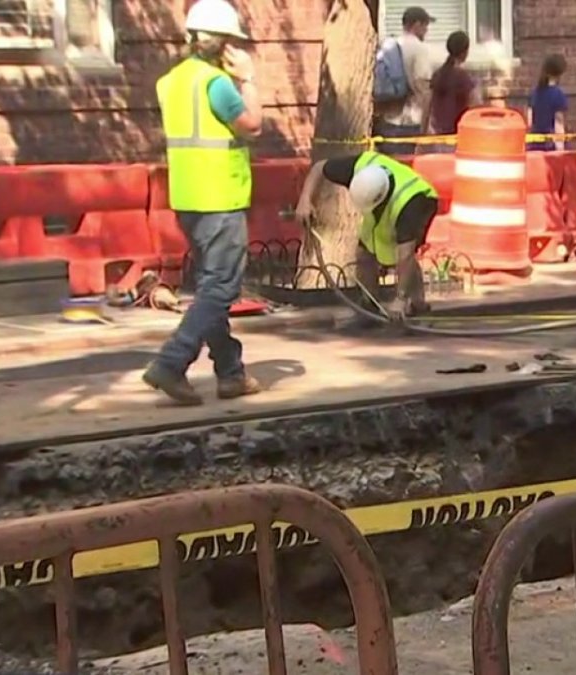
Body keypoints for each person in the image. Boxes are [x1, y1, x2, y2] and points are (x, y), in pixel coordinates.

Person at [143, 0, 264, 406]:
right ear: (222, 44)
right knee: (222, 287)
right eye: (233, 42)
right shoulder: (217, 84)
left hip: (188, 198)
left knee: (213, 286)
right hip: (220, 196)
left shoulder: (172, 81)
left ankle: (230, 372)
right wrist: (248, 79)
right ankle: (172, 362)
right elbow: (253, 125)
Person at [294, 151, 439, 323]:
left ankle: (415, 304)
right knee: (364, 252)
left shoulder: (410, 207)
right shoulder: (358, 168)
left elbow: (406, 256)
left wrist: (399, 299)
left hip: (419, 199)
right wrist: (305, 200)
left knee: (402, 253)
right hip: (381, 204)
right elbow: (319, 168)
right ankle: (369, 303)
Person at [376, 6, 436, 156]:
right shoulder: (419, 49)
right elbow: (424, 91)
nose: (427, 31)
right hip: (409, 123)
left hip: (387, 120)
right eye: (425, 26)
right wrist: (424, 130)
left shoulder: (388, 46)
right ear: (417, 25)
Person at [426, 31, 481, 137]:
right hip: (457, 132)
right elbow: (475, 104)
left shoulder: (438, 74)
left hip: (438, 131)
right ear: (464, 52)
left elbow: (428, 103)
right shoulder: (463, 76)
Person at [527, 55, 568, 151]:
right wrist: (560, 147)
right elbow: (558, 123)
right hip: (550, 146)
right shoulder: (558, 95)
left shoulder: (534, 93)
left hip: (534, 145)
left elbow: (529, 122)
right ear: (560, 74)